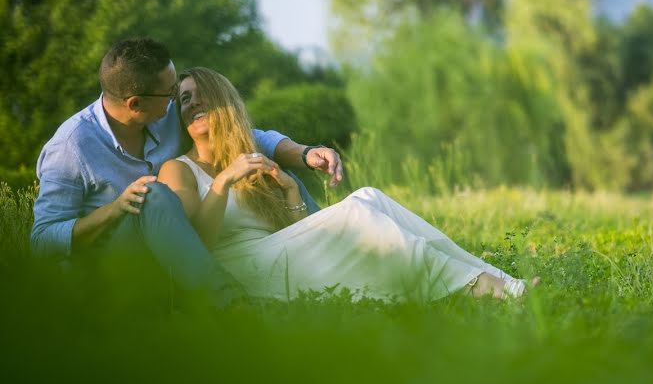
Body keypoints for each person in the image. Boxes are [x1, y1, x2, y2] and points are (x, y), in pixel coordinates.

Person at [156, 67, 538, 302]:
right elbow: (197, 246)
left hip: (276, 256)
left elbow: (296, 233)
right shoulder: (178, 170)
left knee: (369, 196)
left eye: (201, 95)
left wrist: (290, 192)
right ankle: (483, 290)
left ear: (224, 102)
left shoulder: (249, 154)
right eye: (184, 98)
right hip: (240, 269)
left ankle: (504, 280)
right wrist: (222, 181)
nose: (192, 103)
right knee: (357, 213)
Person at [30, 38, 343, 302]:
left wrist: (303, 153)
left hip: (179, 246)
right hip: (116, 261)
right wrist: (113, 211)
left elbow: (249, 137)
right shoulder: (71, 147)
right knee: (151, 192)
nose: (175, 99)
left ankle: (334, 252)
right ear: (135, 104)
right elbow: (42, 239)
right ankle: (231, 303)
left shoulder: (162, 111)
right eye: (170, 94)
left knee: (278, 173)